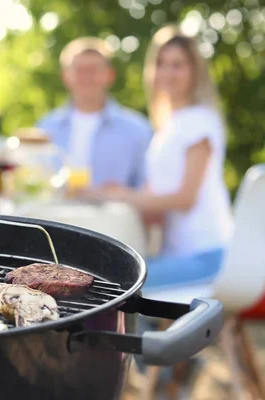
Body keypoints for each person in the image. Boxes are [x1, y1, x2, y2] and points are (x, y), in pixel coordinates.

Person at [88, 25, 234, 292]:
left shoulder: (199, 121)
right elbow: (157, 192)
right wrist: (109, 193)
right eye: (161, 64)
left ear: (194, 72)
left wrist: (122, 197)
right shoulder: (171, 125)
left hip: (208, 256)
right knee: (113, 271)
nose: (168, 72)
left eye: (178, 65)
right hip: (180, 254)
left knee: (119, 285)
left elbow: (185, 198)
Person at [37, 37, 152, 189]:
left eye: (93, 70)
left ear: (110, 75)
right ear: (65, 75)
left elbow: (148, 190)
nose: (86, 77)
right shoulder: (45, 129)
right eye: (79, 70)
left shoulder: (138, 130)